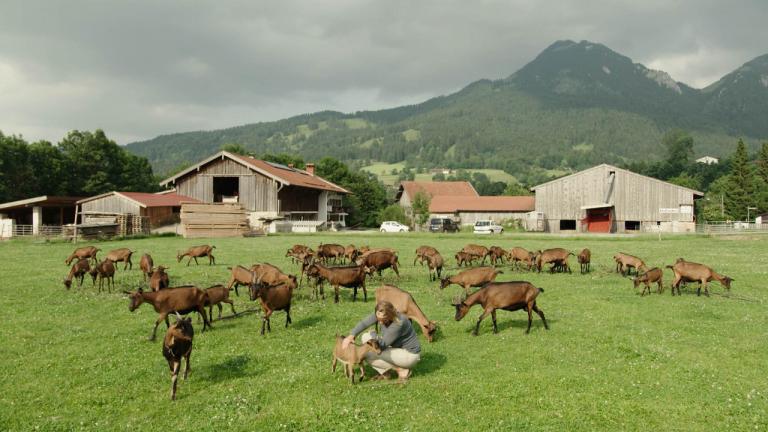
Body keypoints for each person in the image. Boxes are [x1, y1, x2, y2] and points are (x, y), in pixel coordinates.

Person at [342, 301, 421, 382]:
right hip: (396, 349)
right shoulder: (381, 313)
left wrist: (373, 334)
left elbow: (381, 346)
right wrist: (351, 335)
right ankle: (386, 372)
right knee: (366, 339)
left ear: (390, 315)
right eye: (378, 319)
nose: (380, 322)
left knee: (367, 352)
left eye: (384, 320)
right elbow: (364, 323)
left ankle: (402, 370)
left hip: (409, 355)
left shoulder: (399, 323)